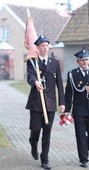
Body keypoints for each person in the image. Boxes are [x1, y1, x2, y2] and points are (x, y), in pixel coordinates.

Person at [25, 35, 65, 169]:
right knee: (36, 129)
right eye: (42, 45)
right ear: (38, 47)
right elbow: (30, 76)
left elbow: (59, 83)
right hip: (36, 102)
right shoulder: (32, 62)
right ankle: (33, 142)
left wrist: (62, 102)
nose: (45, 48)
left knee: (47, 133)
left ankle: (45, 159)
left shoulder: (55, 62)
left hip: (50, 103)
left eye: (47, 45)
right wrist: (35, 82)